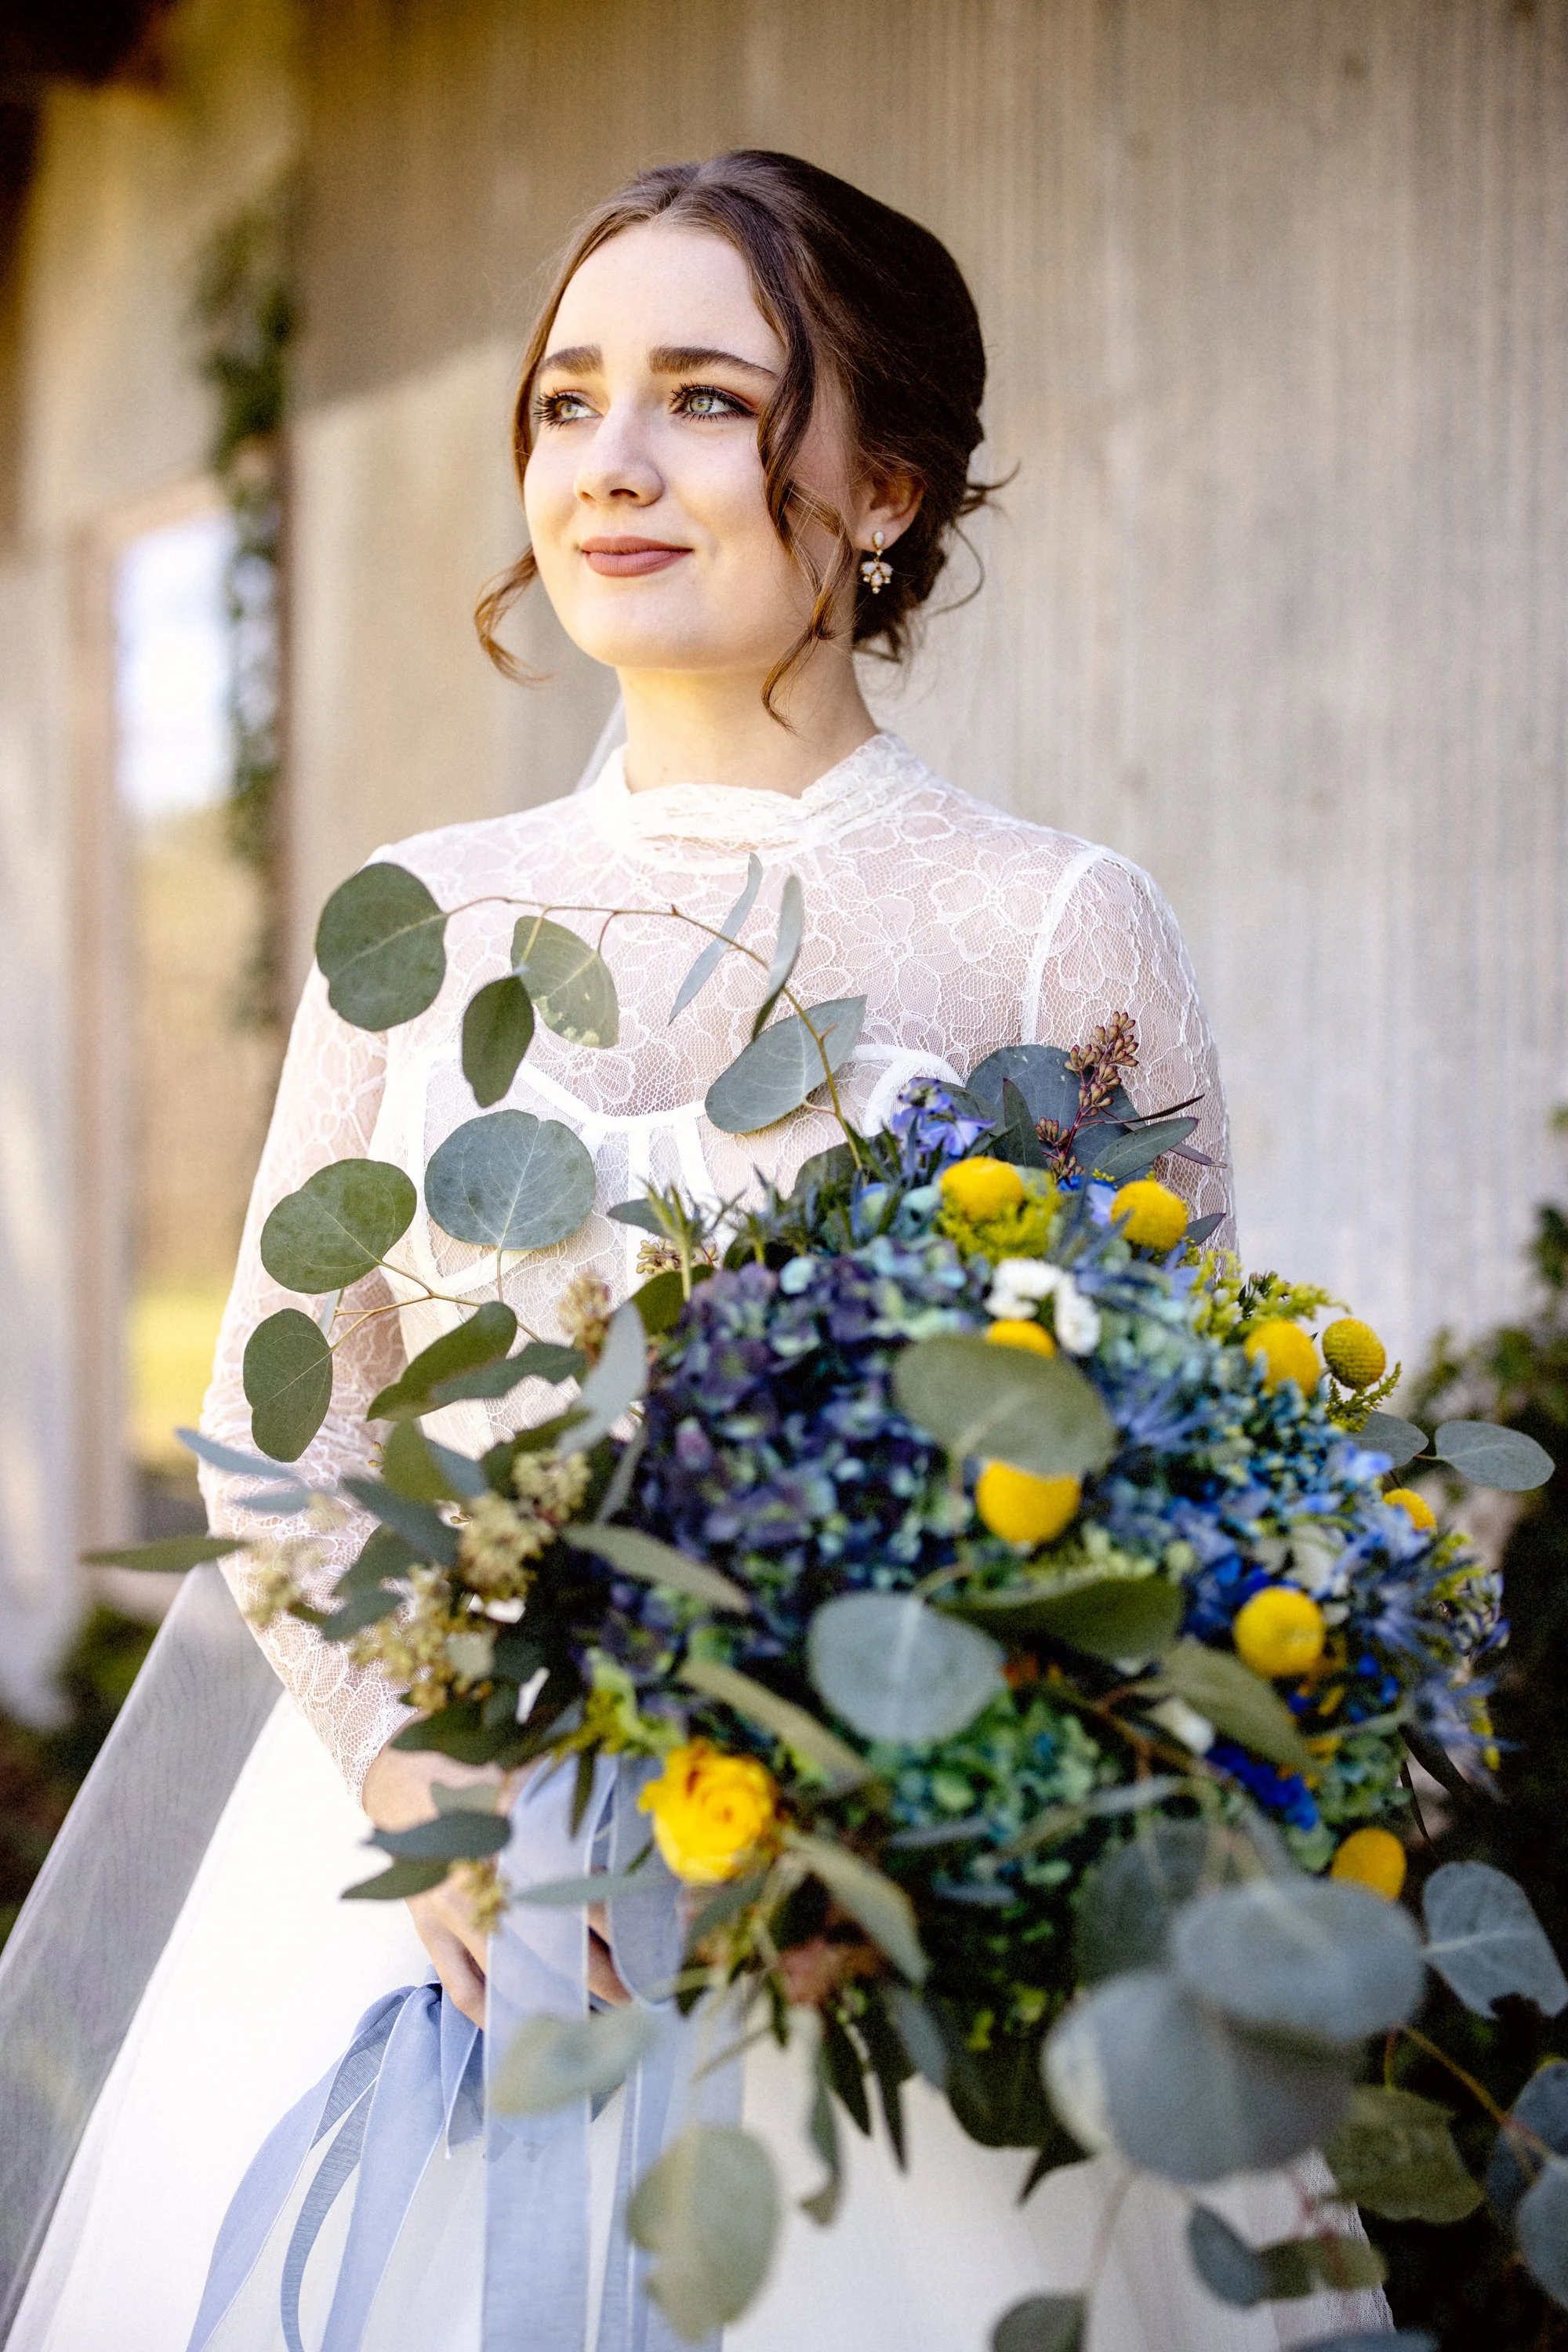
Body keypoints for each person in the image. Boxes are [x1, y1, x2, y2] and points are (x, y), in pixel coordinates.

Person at [3, 153, 1388, 2351]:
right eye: (566, 403)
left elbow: (1177, 1478)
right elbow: (293, 1420)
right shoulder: (421, 928)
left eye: (709, 401)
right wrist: (408, 1768)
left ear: (890, 486)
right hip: (440, 1886)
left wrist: (895, 1812)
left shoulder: (1052, 931)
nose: (612, 466)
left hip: (881, 1940)